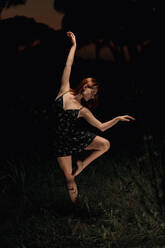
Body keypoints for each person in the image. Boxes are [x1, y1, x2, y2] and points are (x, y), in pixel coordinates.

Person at [53, 31, 135, 205]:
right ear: (85, 86)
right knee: (69, 178)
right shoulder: (64, 91)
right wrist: (74, 46)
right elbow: (68, 66)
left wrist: (117, 119)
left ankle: (82, 164)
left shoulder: (83, 111)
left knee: (105, 144)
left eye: (95, 94)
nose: (93, 95)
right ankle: (75, 206)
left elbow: (102, 127)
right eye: (93, 91)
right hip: (60, 141)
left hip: (73, 137)